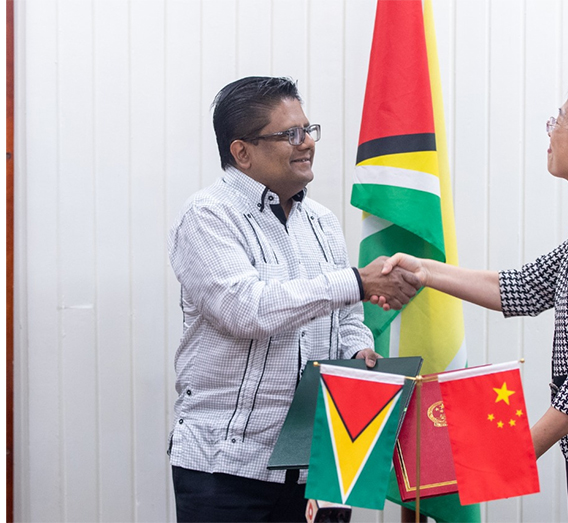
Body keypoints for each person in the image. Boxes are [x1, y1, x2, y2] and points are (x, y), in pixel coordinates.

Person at [376, 79, 568, 522]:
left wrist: (501, 458)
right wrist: (427, 273)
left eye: (557, 121)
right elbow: (523, 288)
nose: (549, 132)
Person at [167, 76, 421, 522]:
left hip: (321, 468)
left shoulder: (321, 222)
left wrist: (357, 349)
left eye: (308, 130)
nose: (306, 144)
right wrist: (357, 283)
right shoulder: (207, 217)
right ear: (241, 151)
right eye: (289, 134)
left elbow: (347, 317)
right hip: (227, 473)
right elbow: (247, 310)